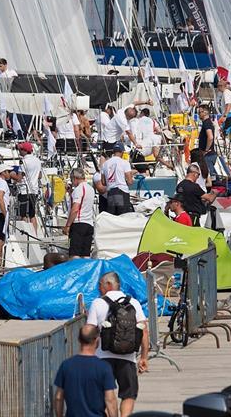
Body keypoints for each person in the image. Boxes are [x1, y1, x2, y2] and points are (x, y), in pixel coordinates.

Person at [87, 271, 149, 417]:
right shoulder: (133, 303)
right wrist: (144, 357)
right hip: (127, 357)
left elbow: (90, 332)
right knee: (129, 394)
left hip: (102, 357)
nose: (98, 288)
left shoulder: (98, 303)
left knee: (106, 392)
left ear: (108, 285)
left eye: (100, 285)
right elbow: (144, 332)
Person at [53, 324, 119, 417]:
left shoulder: (66, 365)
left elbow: (59, 397)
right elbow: (110, 400)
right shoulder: (104, 367)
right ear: (97, 340)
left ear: (79, 340)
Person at [63, 168, 95, 259]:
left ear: (75, 178)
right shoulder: (90, 189)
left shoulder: (78, 189)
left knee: (74, 255)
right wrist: (71, 193)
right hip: (89, 224)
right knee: (86, 255)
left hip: (78, 224)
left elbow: (75, 209)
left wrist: (68, 225)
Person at [12, 142, 42, 234]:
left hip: (24, 191)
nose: (19, 151)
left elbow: (19, 179)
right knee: (32, 215)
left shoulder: (24, 162)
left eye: (20, 149)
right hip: (34, 191)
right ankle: (35, 235)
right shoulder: (37, 160)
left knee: (23, 215)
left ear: (25, 151)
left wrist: (12, 175)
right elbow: (39, 176)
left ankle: (26, 234)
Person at [97, 143, 134, 216]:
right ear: (122, 152)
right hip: (121, 191)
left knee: (112, 217)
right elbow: (130, 181)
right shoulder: (124, 162)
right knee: (124, 216)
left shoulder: (105, 164)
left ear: (113, 152)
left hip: (110, 193)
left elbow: (103, 182)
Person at [197, 105, 218, 179]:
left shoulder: (206, 123)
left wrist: (205, 150)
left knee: (211, 177)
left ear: (205, 112)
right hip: (209, 154)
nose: (198, 114)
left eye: (200, 112)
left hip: (208, 155)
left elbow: (210, 137)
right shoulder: (208, 122)